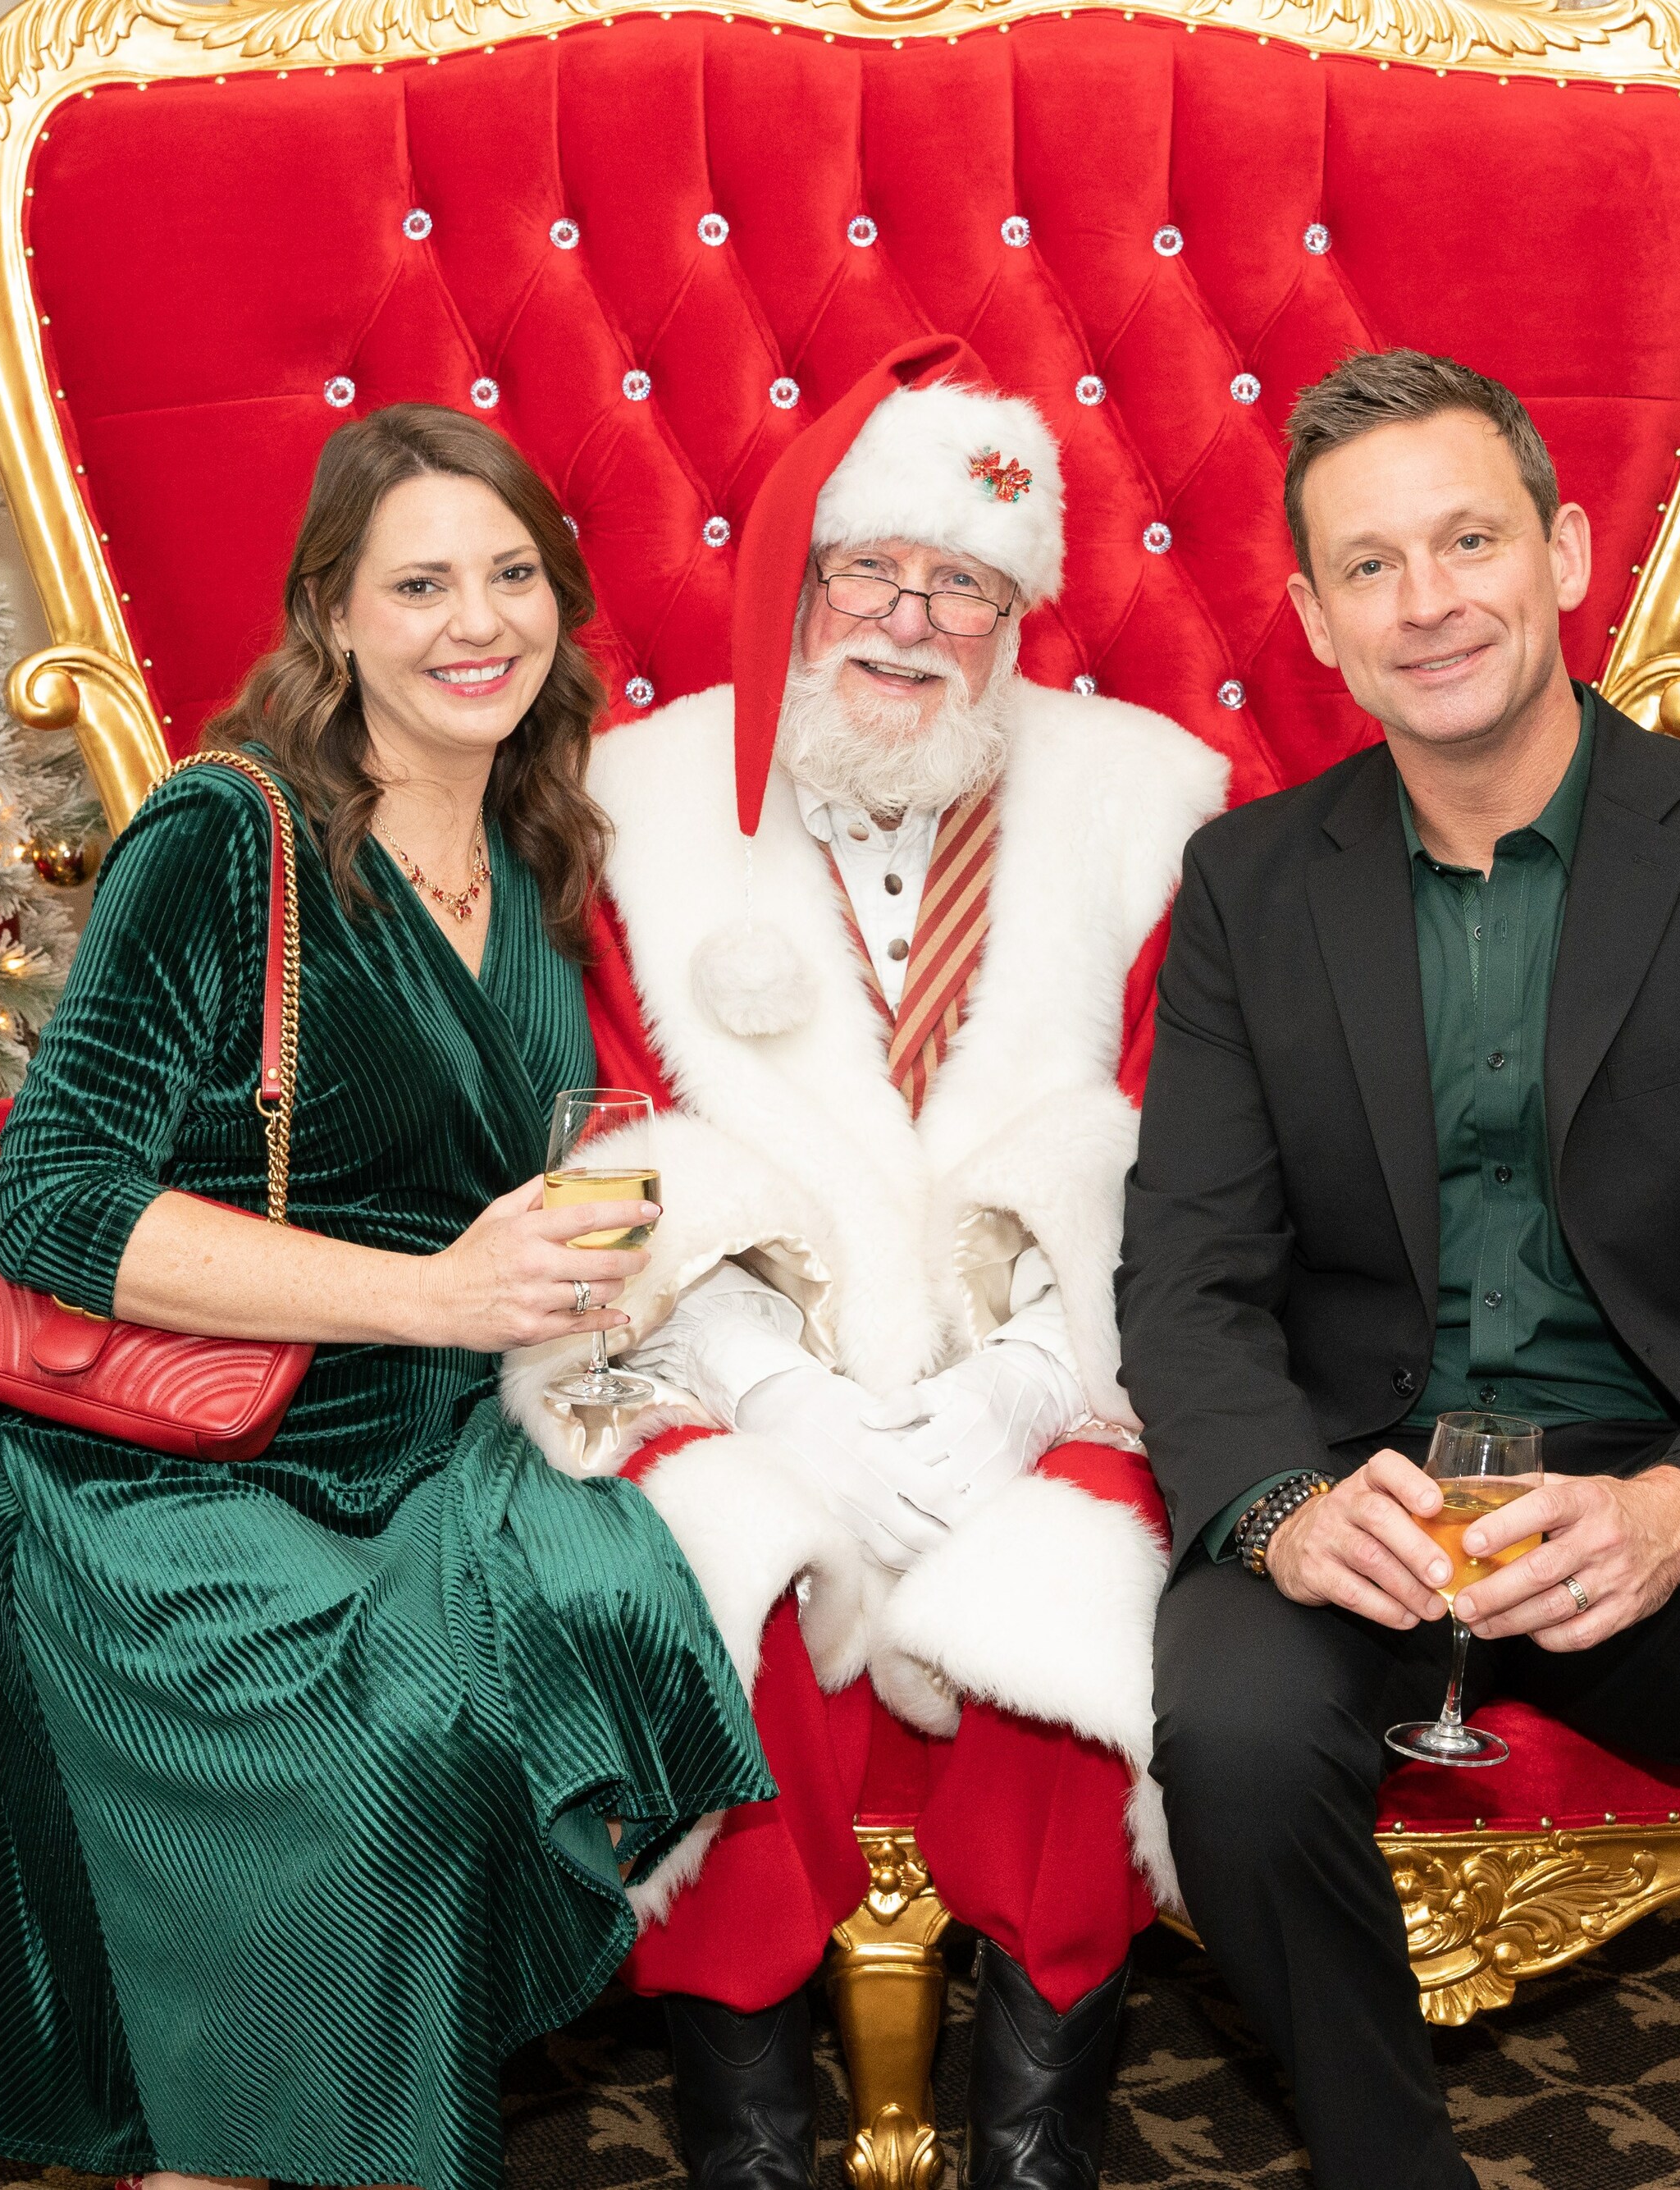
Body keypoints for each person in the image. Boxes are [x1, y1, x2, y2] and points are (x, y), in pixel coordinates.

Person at [0, 406, 769, 2190]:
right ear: (331, 616)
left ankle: (307, 2118)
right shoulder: (226, 834)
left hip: (435, 1432)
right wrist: (435, 1295)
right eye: (418, 585)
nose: (476, 622)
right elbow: (55, 1204)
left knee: (617, 1589)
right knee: (392, 1729)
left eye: (513, 576)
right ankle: (219, 2155)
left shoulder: (537, 843)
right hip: (187, 1462)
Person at [1118, 349, 1680, 2190]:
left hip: (1673, 1481)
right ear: (1316, 623)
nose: (1425, 600)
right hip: (1374, 1494)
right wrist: (1277, 1509)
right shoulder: (1249, 886)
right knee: (1233, 1733)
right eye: (1368, 565)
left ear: (1565, 553)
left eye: (1467, 540)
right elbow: (1184, 1275)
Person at [501, 337, 1229, 2189]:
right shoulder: (644, 806)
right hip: (727, 1350)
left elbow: (1191, 1140)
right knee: (712, 1560)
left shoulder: (1149, 805)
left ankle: (1036, 2141)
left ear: (1016, 614)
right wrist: (774, 1392)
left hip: (1050, 1354)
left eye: (961, 584)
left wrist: (1030, 1383)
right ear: (800, 580)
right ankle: (744, 2137)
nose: (910, 622)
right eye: (871, 574)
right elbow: (611, 1136)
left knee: (1081, 1571)